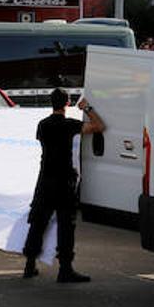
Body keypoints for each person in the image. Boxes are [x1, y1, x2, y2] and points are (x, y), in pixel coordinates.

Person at [22, 88, 105, 282]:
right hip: (64, 181)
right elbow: (99, 126)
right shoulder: (69, 125)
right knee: (66, 226)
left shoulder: (42, 125)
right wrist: (87, 108)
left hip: (45, 180)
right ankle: (65, 269)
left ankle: (29, 265)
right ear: (67, 104)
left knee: (38, 223)